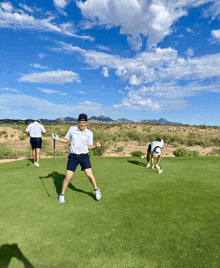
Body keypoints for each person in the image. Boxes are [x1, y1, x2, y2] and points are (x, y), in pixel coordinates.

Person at [52, 113, 102, 203]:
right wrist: (58, 138)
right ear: (78, 122)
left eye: (84, 122)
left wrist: (96, 146)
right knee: (68, 177)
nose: (82, 124)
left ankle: (96, 190)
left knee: (89, 175)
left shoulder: (89, 133)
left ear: (86, 123)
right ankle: (62, 194)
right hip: (73, 157)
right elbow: (66, 140)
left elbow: (89, 146)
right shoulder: (72, 129)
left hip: (84, 156)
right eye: (80, 122)